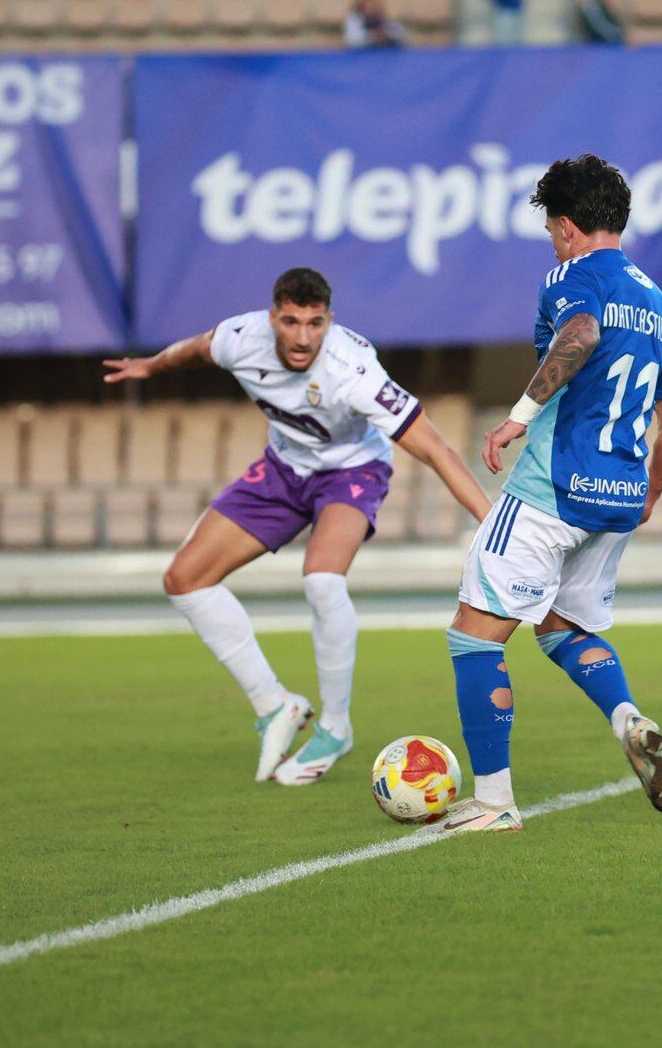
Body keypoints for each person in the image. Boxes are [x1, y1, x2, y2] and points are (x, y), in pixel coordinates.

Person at [105, 268, 490, 786]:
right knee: (184, 579)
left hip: (353, 470)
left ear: (329, 320)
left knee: (322, 580)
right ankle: (274, 705)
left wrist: (490, 521)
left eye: (315, 323)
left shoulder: (354, 369)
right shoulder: (240, 338)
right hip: (284, 469)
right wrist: (151, 366)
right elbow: (196, 349)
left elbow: (436, 449)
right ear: (272, 318)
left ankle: (335, 726)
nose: (304, 337)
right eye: (291, 322)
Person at [442, 155, 662, 833]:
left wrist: (518, 418)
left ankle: (494, 804)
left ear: (568, 227)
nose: (553, 242)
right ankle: (627, 716)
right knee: (559, 628)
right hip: (618, 496)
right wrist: (649, 494)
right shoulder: (659, 304)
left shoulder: (572, 274)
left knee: (473, 636)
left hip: (551, 489)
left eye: (552, 230)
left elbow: (580, 333)